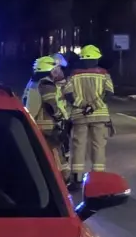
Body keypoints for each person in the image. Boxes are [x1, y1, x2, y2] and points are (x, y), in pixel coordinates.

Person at [65, 45, 114, 182]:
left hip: (79, 115)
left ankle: (77, 177)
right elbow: (109, 93)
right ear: (96, 59)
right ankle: (98, 177)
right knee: (98, 146)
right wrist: (93, 106)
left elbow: (68, 93)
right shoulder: (104, 74)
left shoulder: (74, 75)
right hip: (99, 115)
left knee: (78, 145)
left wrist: (83, 105)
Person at [24, 56, 71, 176]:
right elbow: (51, 104)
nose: (57, 72)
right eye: (56, 69)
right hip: (46, 125)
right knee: (56, 152)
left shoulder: (33, 83)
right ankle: (63, 178)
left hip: (35, 123)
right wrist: (60, 118)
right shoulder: (46, 84)